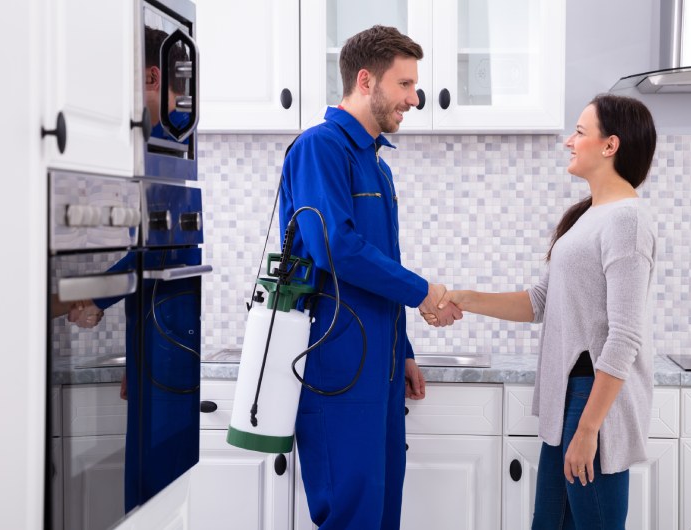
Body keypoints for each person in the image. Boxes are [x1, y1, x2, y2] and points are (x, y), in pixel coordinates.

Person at [435, 94, 658, 529]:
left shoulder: (626, 221)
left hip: (593, 400)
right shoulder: (587, 216)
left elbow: (625, 335)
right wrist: (463, 297)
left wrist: (590, 428)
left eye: (579, 131)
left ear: (610, 145)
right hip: (567, 400)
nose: (567, 141)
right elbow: (540, 301)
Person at [277, 25, 462, 530]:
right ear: (365, 80)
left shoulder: (377, 167)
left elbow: (381, 263)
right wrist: (424, 291)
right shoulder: (320, 148)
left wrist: (402, 350)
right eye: (404, 84)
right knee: (351, 516)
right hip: (336, 368)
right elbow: (334, 247)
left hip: (377, 369)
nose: (415, 98)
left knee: (381, 517)